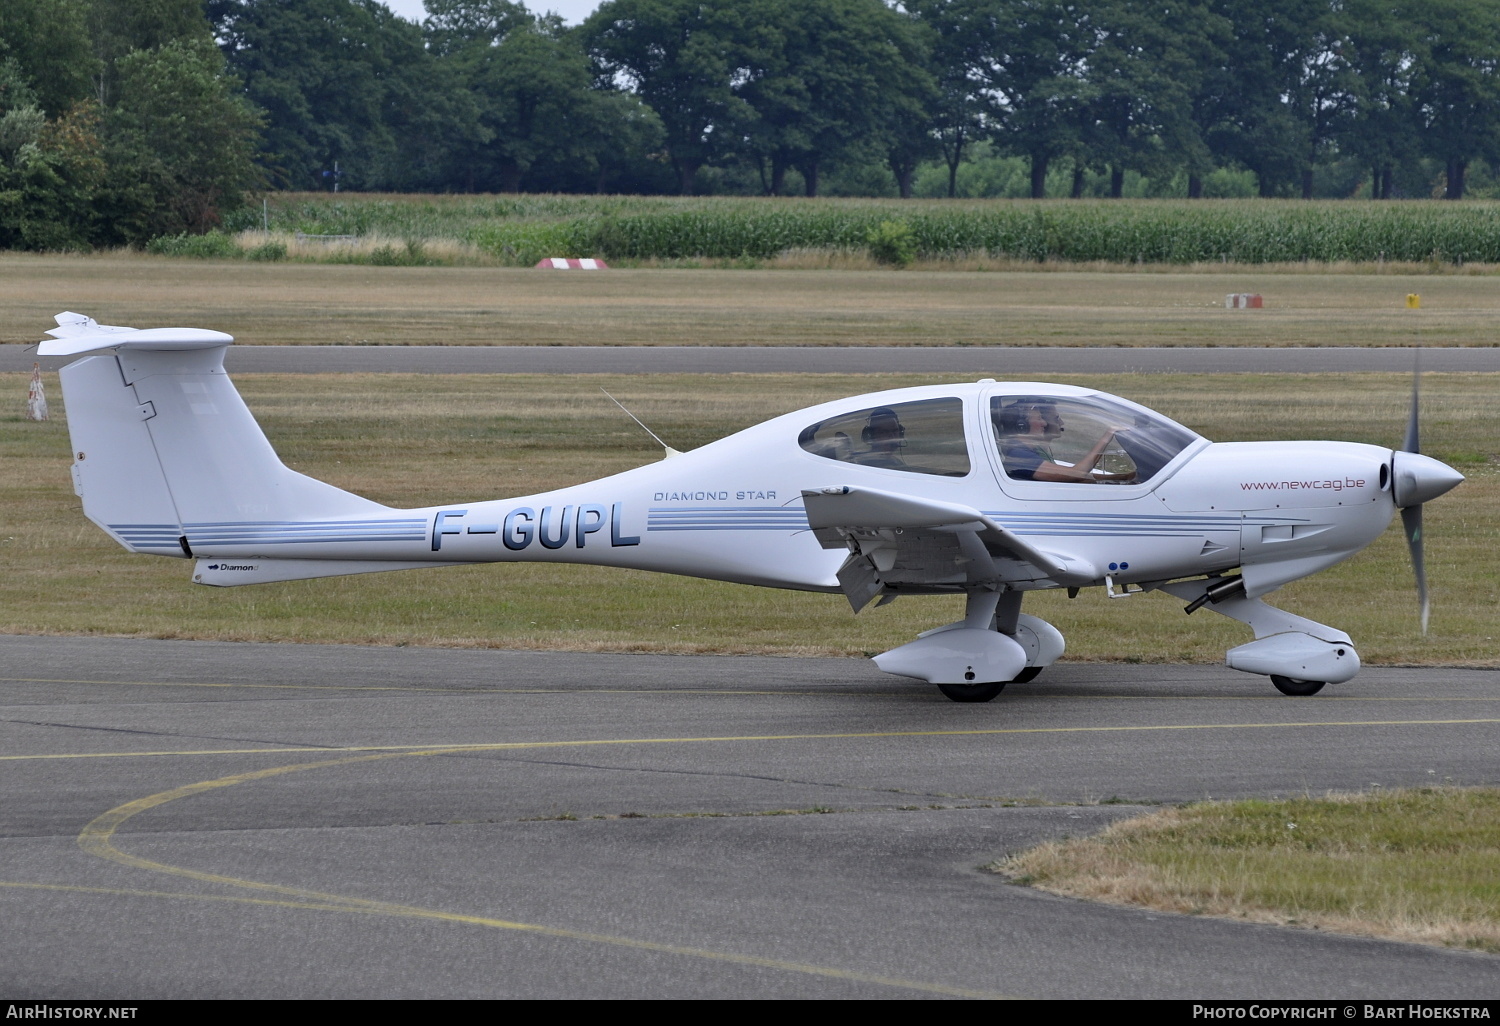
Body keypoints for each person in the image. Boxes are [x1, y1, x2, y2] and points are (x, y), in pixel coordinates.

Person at [995, 401, 1128, 483]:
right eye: (1039, 418)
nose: (1044, 423)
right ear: (1021, 426)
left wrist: (1122, 478)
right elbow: (1076, 474)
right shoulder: (1019, 455)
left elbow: (1078, 478)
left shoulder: (1027, 452)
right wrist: (1108, 434)